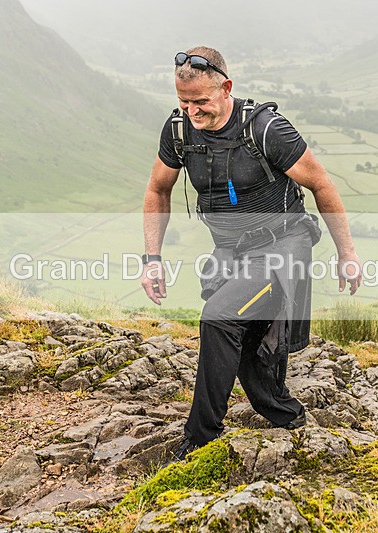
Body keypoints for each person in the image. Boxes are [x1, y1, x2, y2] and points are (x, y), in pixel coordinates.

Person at [141, 46, 361, 461]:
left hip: (282, 247)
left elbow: (322, 185)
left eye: (201, 101)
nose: (192, 112)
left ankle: (200, 438)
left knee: (219, 318)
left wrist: (346, 253)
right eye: (183, 102)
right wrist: (152, 259)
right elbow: (158, 189)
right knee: (244, 337)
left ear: (226, 88)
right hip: (229, 251)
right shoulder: (178, 132)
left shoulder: (265, 129)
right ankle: (284, 414)